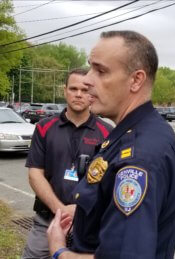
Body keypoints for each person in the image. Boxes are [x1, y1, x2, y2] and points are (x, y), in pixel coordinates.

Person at [47, 30, 175, 259]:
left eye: (101, 71)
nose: (87, 80)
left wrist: (59, 251)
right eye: (90, 67)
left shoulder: (139, 156)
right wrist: (85, 217)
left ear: (136, 80)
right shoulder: (131, 135)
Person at [22, 68, 113, 259]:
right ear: (65, 91)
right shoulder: (44, 127)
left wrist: (79, 211)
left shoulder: (107, 133)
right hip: (47, 221)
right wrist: (61, 210)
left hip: (89, 224)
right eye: (73, 89)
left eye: (85, 89)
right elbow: (35, 174)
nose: (78, 94)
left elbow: (109, 183)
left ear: (92, 94)